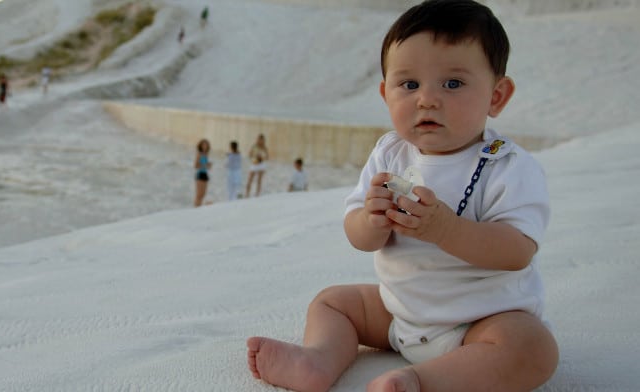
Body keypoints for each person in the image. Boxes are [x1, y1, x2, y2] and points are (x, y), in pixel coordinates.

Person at [246, 1, 558, 391]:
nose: (427, 99)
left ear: (496, 96)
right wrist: (370, 221)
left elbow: (517, 251)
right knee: (332, 302)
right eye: (409, 85)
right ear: (386, 93)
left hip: (479, 322)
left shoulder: (506, 165)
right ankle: (316, 361)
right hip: (398, 312)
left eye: (452, 84)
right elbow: (358, 235)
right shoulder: (390, 153)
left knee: (533, 347)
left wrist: (446, 229)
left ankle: (417, 381)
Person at [193, 138, 211, 207]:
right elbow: (195, 165)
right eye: (203, 145)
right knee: (199, 194)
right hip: (199, 174)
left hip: (205, 174)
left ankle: (199, 206)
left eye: (206, 145)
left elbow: (205, 166)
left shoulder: (206, 154)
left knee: (203, 193)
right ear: (201, 146)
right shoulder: (199, 154)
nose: (205, 146)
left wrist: (208, 165)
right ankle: (196, 208)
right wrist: (205, 165)